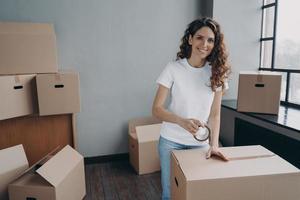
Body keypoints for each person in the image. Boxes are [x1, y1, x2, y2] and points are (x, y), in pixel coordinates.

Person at [152, 17, 230, 200]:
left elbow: (215, 114)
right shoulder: (173, 68)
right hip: (171, 142)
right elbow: (156, 109)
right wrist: (181, 121)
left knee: (196, 194)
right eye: (200, 38)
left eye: (210, 40)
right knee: (170, 194)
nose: (205, 44)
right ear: (190, 39)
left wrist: (214, 144)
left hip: (200, 144)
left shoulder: (217, 72)